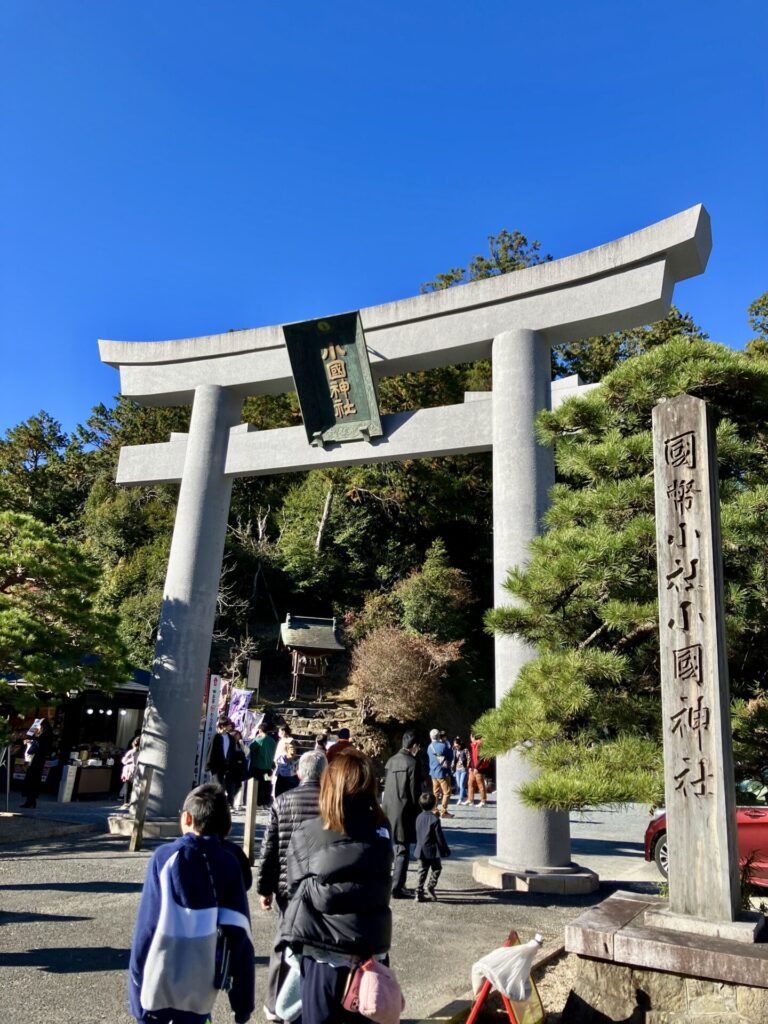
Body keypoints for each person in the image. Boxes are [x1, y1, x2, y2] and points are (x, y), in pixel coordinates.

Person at [280, 748, 393, 1024]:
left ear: (330, 786)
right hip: (371, 954)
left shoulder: (309, 832)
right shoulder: (383, 830)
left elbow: (293, 886)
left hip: (324, 954)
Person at [128, 783, 255, 1024]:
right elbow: (240, 936)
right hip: (203, 985)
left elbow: (147, 927)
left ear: (187, 817)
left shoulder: (165, 857)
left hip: (158, 981)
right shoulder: (229, 864)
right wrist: (242, 1004)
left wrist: (136, 990)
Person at [256, 750, 326, 1022]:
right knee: (320, 944)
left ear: (299, 772)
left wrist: (265, 888)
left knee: (285, 941)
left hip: (289, 886)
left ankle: (275, 1004)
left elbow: (269, 848)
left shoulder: (283, 801)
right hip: (323, 884)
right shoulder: (333, 802)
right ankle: (311, 1000)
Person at [381, 729, 422, 898]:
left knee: (388, 849)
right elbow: (415, 793)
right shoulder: (413, 764)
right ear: (414, 746)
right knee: (402, 850)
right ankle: (397, 887)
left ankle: (386, 884)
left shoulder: (391, 761)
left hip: (388, 809)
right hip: (404, 811)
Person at [413, 792, 451, 902]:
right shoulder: (435, 819)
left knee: (422, 871)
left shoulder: (418, 817)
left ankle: (418, 892)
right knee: (437, 868)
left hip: (420, 849)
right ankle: (430, 886)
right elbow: (440, 837)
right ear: (434, 804)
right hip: (433, 850)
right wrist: (445, 849)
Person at [20, 718, 54, 809]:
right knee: (32, 779)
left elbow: (40, 743)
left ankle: (30, 801)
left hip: (37, 759)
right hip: (37, 759)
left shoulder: (45, 734)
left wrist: (32, 739)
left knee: (32, 778)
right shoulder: (45, 733)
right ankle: (31, 801)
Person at [207, 717, 239, 807]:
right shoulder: (216, 737)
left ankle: (227, 804)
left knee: (230, 787)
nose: (230, 726)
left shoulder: (231, 738)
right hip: (217, 766)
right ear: (222, 726)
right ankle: (216, 805)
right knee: (218, 786)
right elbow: (211, 751)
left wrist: (234, 764)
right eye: (228, 724)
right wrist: (209, 766)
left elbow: (233, 752)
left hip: (228, 766)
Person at [427, 728, 454, 819]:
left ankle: (434, 810)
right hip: (442, 772)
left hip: (433, 773)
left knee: (435, 792)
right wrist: (447, 744)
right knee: (447, 792)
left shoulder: (429, 747)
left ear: (430, 737)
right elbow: (451, 757)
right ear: (438, 736)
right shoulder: (443, 746)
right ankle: (443, 811)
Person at [249, 722, 277, 806]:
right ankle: (266, 801)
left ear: (260, 730)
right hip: (268, 767)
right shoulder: (272, 740)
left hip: (258, 766)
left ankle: (258, 802)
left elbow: (250, 748)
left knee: (258, 785)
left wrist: (255, 738)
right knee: (267, 784)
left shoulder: (259, 739)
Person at [468, 730, 489, 807]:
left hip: (479, 768)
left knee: (480, 784)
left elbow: (480, 758)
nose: (470, 738)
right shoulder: (474, 745)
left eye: (471, 736)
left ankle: (483, 801)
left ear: (473, 737)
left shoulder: (480, 745)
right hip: (474, 768)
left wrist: (476, 768)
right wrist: (471, 767)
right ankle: (470, 799)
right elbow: (473, 758)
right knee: (470, 783)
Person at [120, 736, 141, 809]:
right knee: (133, 787)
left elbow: (124, 761)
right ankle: (131, 801)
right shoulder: (140, 753)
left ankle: (126, 802)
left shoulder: (131, 752)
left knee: (127, 787)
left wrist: (126, 761)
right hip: (136, 770)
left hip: (129, 770)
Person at [452, 736, 470, 806]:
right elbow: (453, 759)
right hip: (457, 769)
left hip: (463, 769)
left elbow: (469, 758)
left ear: (460, 744)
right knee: (459, 785)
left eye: (457, 746)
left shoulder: (465, 750)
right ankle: (465, 794)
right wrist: (452, 766)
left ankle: (460, 799)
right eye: (455, 745)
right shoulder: (454, 750)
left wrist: (467, 766)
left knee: (462, 784)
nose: (456, 747)